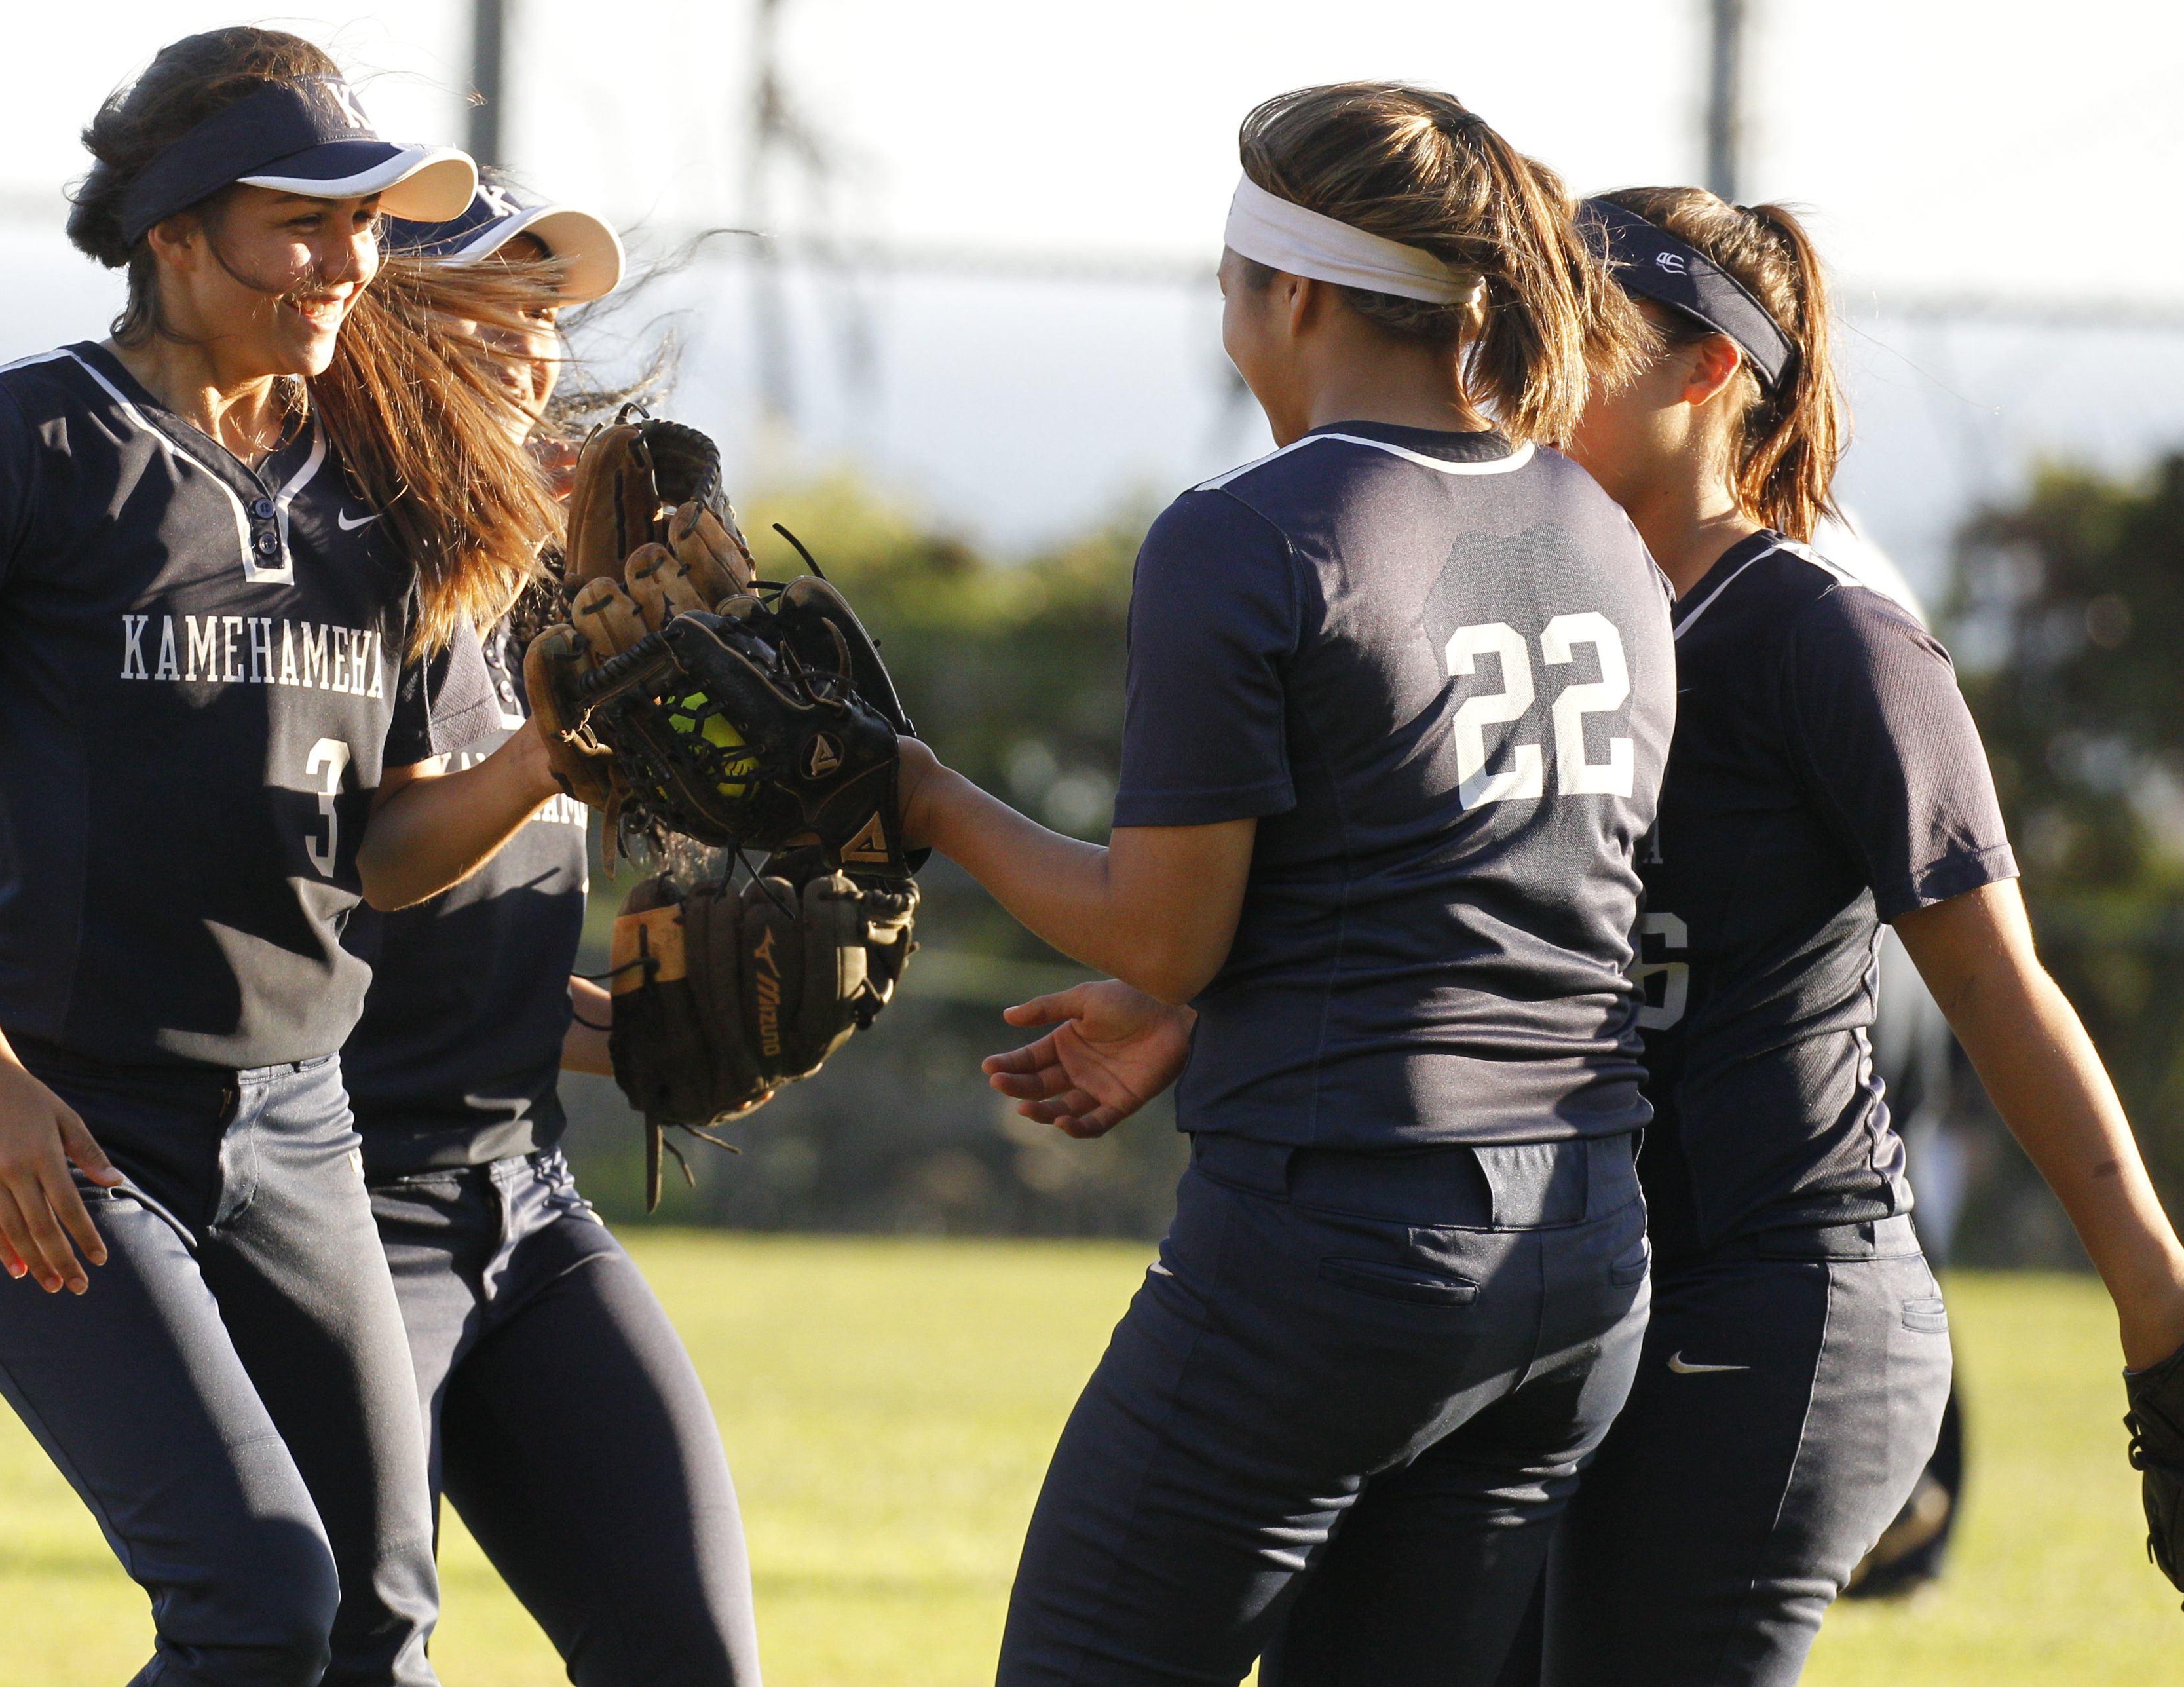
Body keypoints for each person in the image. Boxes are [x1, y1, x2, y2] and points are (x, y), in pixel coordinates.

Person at [1004, 187, 2184, 1687]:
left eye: (1588, 325)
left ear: (1708, 375)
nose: (1527, 350)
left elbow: (2001, 989)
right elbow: (1437, 912)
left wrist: (2160, 1312)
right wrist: (1182, 1008)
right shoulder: (1536, 585)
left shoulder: (1830, 635)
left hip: (1772, 1292)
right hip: (1578, 1296)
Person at [0, 27, 576, 1687]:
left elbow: (388, 857)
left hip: (299, 1128)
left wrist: (547, 755)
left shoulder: (381, 489)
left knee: (378, 1632)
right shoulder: (21, 447)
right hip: (59, 1118)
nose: (349, 263)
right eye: (303, 224)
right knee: (257, 1607)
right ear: (173, 238)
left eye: (362, 225)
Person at [894, 81, 1674, 1687]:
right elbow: (1468, 881)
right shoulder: (1592, 517)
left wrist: (922, 795)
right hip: (1584, 1246)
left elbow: (1161, 931)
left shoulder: (1251, 533)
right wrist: (1209, 1009)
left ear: (1296, 292)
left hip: (1345, 1241)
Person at [331, 187, 763, 1686]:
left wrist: (642, 1024)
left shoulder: (536, 576)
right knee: (334, 1662)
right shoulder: (335, 570)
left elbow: (461, 949)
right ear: (379, 331)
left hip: (522, 1199)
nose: (534, 348)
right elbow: (374, 879)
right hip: (333, 1213)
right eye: (491, 314)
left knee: (691, 1662)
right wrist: (541, 756)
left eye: (546, 316)